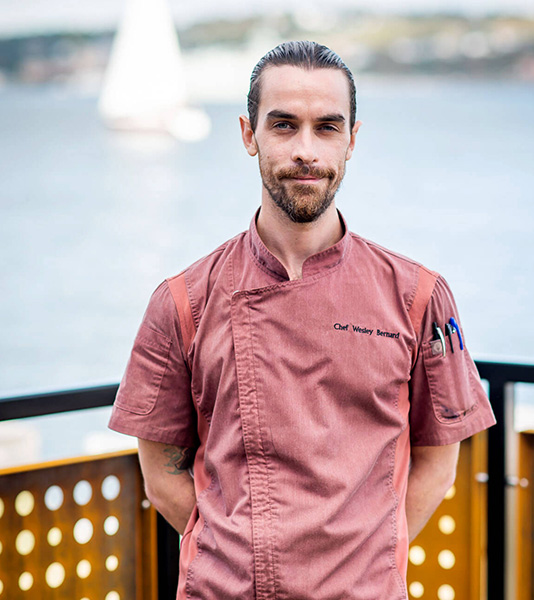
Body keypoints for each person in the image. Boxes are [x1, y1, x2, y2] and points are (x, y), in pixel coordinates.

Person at [109, 41, 496, 600]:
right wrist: (236, 553)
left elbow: (438, 460)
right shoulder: (181, 301)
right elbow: (159, 469)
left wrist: (366, 557)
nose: (306, 150)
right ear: (249, 135)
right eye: (284, 125)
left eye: (327, 127)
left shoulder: (419, 296)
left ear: (352, 141)